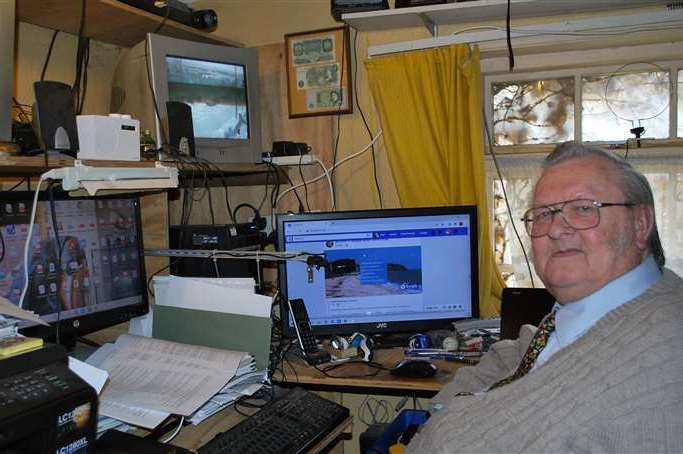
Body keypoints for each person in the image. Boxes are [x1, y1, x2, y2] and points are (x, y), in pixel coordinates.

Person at [409, 142, 683, 453]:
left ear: (640, 223)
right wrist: (449, 408)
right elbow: (523, 352)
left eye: (583, 208)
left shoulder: (660, 377)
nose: (555, 229)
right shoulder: (590, 310)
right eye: (543, 215)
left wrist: (445, 425)